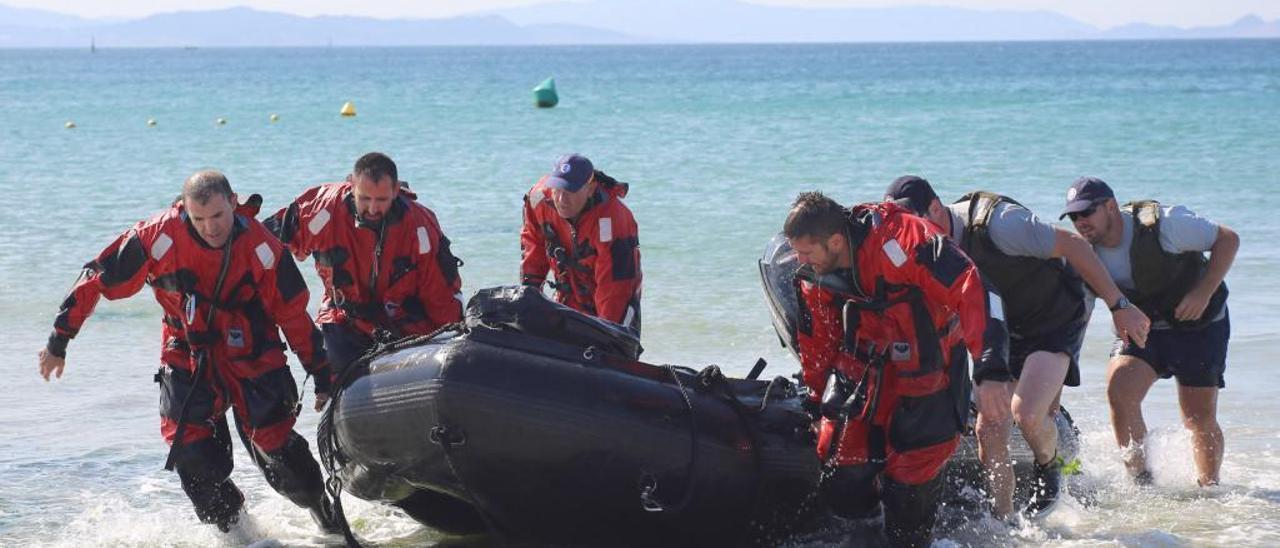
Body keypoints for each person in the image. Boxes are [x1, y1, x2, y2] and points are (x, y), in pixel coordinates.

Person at [37, 171, 336, 533]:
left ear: (233, 203)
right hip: (188, 355)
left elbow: (293, 315)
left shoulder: (263, 247)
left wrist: (321, 373)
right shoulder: (155, 237)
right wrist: (59, 340)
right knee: (193, 461)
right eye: (199, 219)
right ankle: (243, 534)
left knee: (279, 449)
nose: (210, 228)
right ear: (184, 210)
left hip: (253, 353)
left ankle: (325, 516)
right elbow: (97, 278)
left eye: (218, 217)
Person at [886, 176, 1151, 518]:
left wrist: (1119, 306)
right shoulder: (924, 242)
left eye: (918, 224)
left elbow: (1076, 246)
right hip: (1004, 327)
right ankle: (1004, 520)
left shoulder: (999, 223)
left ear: (936, 208)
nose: (915, 236)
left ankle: (1051, 464)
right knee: (989, 427)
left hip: (1056, 316)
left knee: (1026, 413)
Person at [784, 191, 1008, 547]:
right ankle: (864, 532)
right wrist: (815, 402)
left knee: (911, 484)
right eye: (797, 252)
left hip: (930, 368)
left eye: (807, 252)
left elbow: (974, 287)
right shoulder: (816, 271)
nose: (800, 260)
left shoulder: (906, 240)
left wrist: (991, 368)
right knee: (840, 462)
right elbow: (817, 340)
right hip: (868, 366)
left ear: (836, 241)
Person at [1062, 176, 1237, 487]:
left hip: (1200, 327)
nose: (1080, 222)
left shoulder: (1163, 224)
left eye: (1086, 212)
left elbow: (1228, 239)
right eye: (1074, 216)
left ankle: (1209, 491)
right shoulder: (1084, 256)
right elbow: (1078, 319)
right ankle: (1143, 483)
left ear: (1111, 207)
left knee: (1198, 417)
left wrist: (1203, 291)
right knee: (1119, 391)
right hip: (1145, 329)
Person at [266, 152, 464, 380]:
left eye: (381, 200)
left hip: (402, 319)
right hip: (345, 317)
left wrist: (452, 342)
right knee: (339, 379)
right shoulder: (322, 210)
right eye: (365, 199)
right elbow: (265, 242)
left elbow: (440, 293)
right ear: (351, 185)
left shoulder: (420, 227)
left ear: (396, 190)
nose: (372, 208)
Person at [520, 153, 642, 333]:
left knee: (612, 339)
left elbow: (615, 289)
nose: (561, 200)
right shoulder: (538, 200)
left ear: (591, 188)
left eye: (570, 191)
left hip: (614, 306)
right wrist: (529, 301)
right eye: (557, 190)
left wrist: (607, 334)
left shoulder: (613, 221)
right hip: (566, 302)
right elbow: (533, 249)